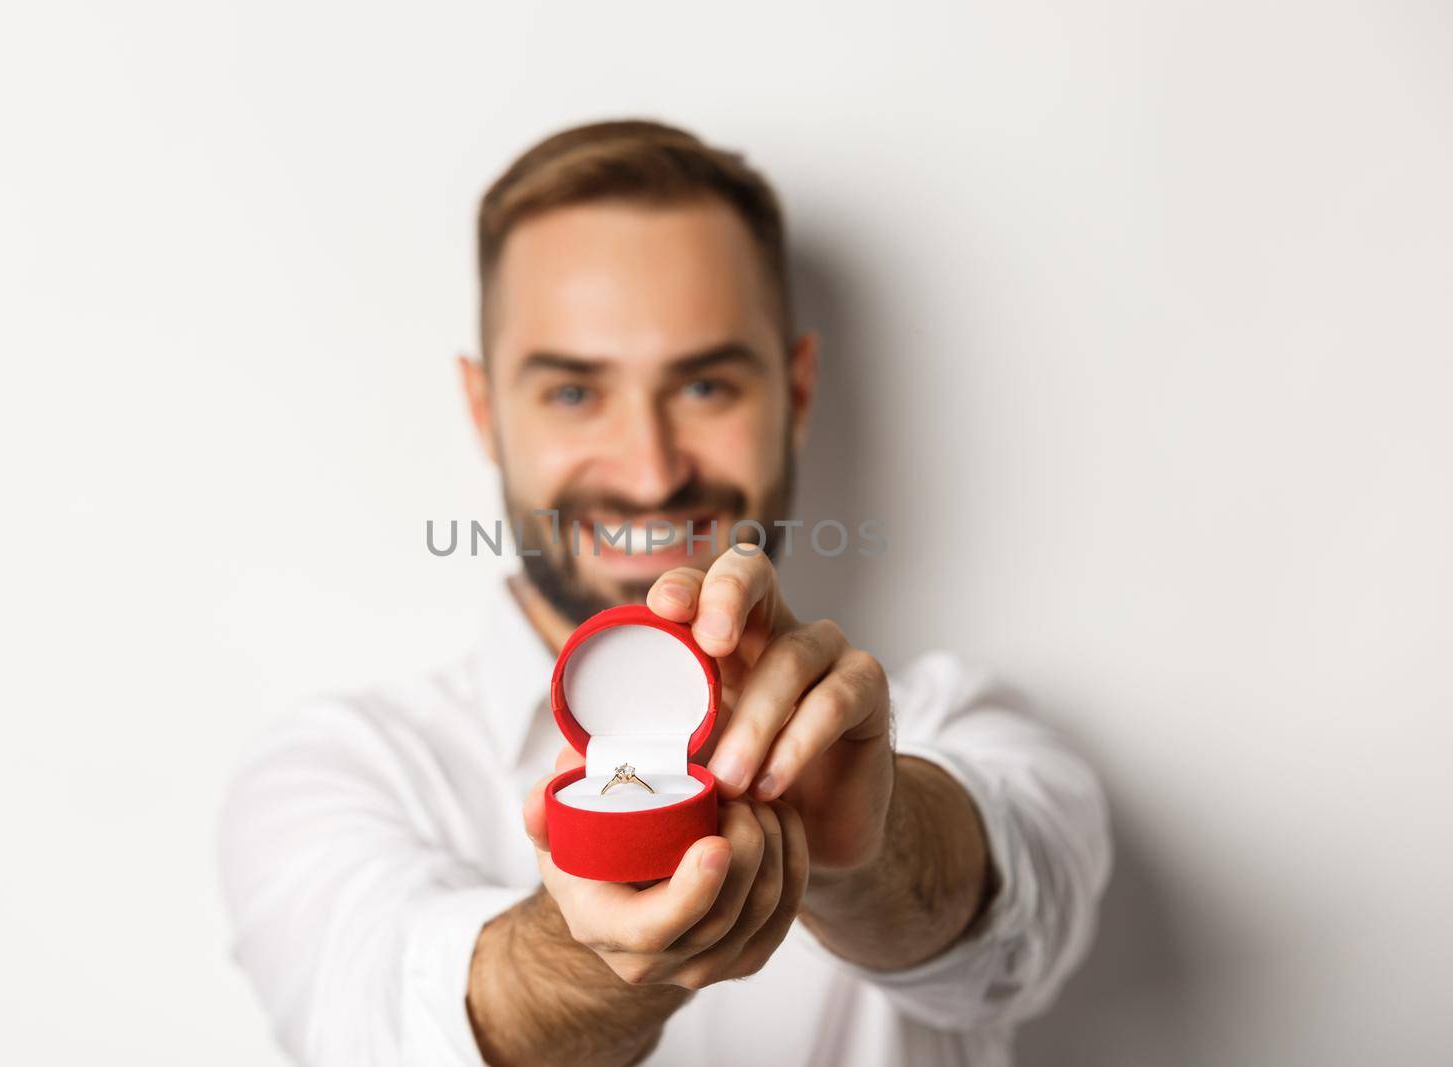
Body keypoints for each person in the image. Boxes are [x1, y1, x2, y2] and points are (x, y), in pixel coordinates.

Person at [217, 119, 1111, 1067]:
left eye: (706, 386)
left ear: (796, 395)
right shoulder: (337, 772)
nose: (649, 474)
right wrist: (594, 946)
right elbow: (389, 1033)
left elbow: (1013, 933)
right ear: (485, 413)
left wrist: (872, 840)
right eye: (573, 392)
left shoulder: (958, 721)